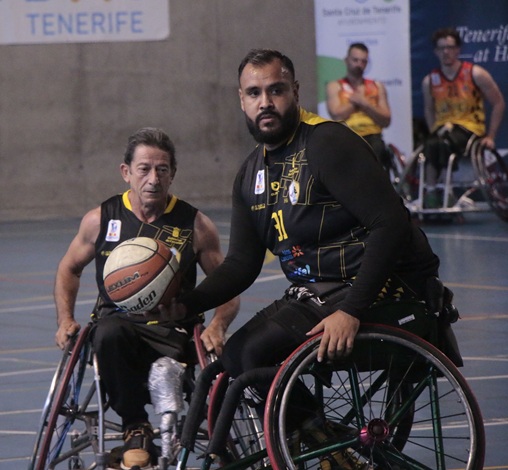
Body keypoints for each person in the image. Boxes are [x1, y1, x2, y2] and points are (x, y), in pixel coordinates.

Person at [165, 49, 451, 450]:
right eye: (254, 93)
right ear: (242, 100)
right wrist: (185, 304)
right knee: (235, 357)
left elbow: (391, 225)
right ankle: (318, 439)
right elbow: (243, 263)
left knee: (253, 354)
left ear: (295, 92)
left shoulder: (327, 142)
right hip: (317, 291)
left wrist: (351, 310)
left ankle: (330, 447)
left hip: (384, 287)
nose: (265, 102)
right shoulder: (251, 173)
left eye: (276, 90)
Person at [54, 127, 240, 469]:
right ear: (126, 172)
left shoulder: (196, 225)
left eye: (162, 169)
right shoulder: (101, 219)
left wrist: (218, 325)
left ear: (172, 174)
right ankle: (135, 426)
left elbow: (228, 285)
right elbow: (69, 269)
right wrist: (65, 319)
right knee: (108, 332)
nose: (153, 179)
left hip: (174, 331)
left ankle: (181, 424)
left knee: (180, 362)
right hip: (117, 327)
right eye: (144, 169)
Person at [421, 27, 505, 208]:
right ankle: (431, 191)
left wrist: (491, 136)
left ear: (458, 49)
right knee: (431, 143)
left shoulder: (476, 74)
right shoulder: (430, 80)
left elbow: (498, 103)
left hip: (470, 129)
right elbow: (428, 109)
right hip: (443, 128)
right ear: (436, 51)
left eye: (450, 47)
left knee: (443, 143)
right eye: (441, 48)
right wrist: (434, 129)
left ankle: (448, 191)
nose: (446, 52)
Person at [326, 42, 391, 167]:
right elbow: (336, 114)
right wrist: (355, 103)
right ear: (346, 60)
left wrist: (365, 104)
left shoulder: (377, 86)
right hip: (347, 137)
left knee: (376, 149)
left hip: (373, 137)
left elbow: (386, 119)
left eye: (363, 61)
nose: (359, 65)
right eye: (355, 60)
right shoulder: (335, 86)